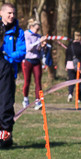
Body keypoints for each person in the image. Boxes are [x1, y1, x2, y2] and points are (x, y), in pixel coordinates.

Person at [0, 3, 24, 149]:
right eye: (9, 13)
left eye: (13, 13)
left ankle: (6, 137)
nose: (12, 16)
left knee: (6, 104)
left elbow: (22, 51)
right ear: (1, 13)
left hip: (9, 70)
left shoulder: (18, 32)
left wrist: (8, 56)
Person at [21, 19, 44, 109]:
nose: (37, 31)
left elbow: (37, 49)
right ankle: (25, 99)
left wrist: (42, 46)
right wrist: (38, 42)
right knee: (27, 81)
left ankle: (38, 101)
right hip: (28, 60)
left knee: (38, 82)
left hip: (36, 60)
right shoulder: (26, 34)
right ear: (31, 27)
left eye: (38, 29)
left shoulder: (38, 36)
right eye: (36, 29)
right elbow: (29, 48)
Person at [65, 31, 81, 102]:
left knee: (71, 80)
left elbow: (66, 56)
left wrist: (65, 65)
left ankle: (70, 93)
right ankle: (79, 98)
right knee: (79, 82)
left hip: (70, 65)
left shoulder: (69, 46)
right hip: (79, 66)